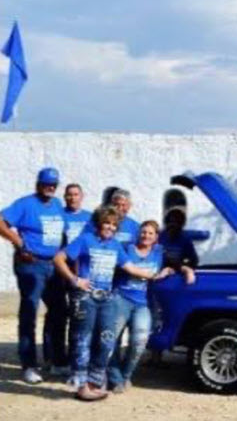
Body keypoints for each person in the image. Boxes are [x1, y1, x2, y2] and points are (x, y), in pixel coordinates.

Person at [53, 207, 156, 401]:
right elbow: (59, 258)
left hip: (107, 298)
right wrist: (75, 280)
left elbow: (130, 267)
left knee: (107, 340)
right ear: (99, 224)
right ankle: (81, 385)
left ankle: (94, 382)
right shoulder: (85, 240)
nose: (109, 227)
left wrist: (155, 275)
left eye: (113, 225)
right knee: (83, 340)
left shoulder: (116, 246)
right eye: (106, 223)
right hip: (86, 298)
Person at [0, 167, 68, 383]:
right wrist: (19, 243)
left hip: (53, 265)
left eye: (53, 184)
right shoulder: (25, 204)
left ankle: (56, 361)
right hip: (32, 264)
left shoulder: (57, 204)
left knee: (59, 311)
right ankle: (29, 365)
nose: (50, 187)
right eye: (46, 183)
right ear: (38, 184)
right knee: (29, 311)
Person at [108, 221, 173, 393]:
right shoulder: (127, 249)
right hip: (121, 298)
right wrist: (153, 275)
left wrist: (175, 269)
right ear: (138, 233)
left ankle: (126, 374)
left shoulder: (159, 252)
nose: (146, 236)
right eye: (143, 232)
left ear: (156, 237)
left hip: (142, 302)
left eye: (150, 233)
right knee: (112, 339)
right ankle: (115, 377)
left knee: (140, 340)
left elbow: (175, 263)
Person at [159, 206, 198, 285]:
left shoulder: (185, 239)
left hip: (178, 270)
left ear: (181, 224)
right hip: (161, 271)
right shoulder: (160, 237)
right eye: (170, 222)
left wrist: (185, 269)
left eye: (176, 222)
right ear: (166, 222)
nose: (173, 224)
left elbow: (194, 260)